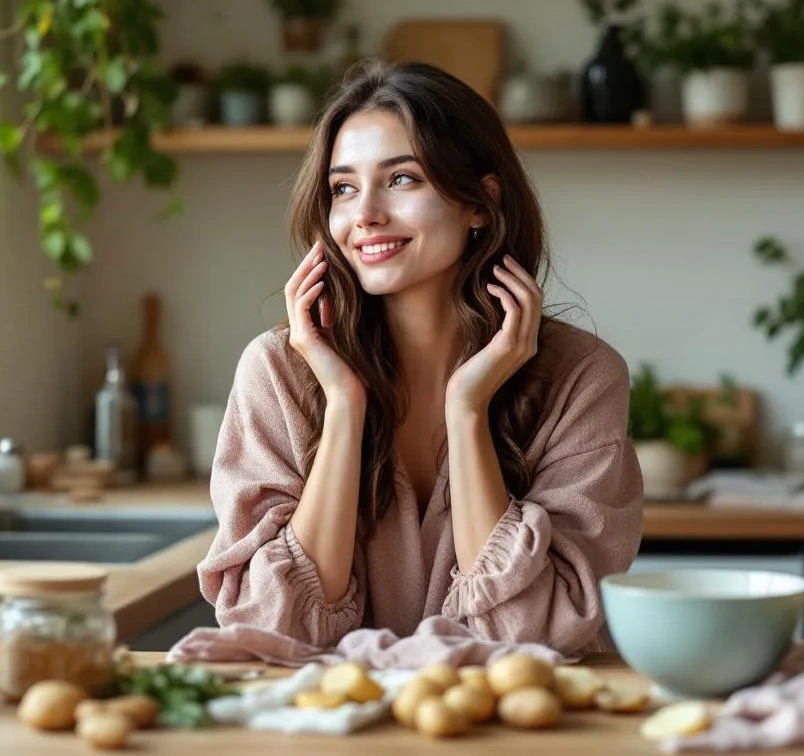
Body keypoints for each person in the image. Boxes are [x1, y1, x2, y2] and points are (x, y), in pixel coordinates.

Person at [196, 59, 644, 656]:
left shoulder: (582, 377)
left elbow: (535, 637)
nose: (365, 215)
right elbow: (277, 633)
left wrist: (467, 409)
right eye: (343, 188)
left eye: (402, 179)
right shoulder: (279, 370)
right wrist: (344, 406)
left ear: (480, 202)